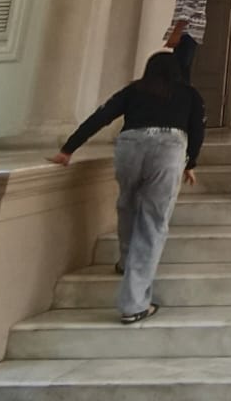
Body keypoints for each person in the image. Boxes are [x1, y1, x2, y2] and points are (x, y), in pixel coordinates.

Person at [47, 53, 204, 325]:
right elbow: (197, 131)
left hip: (130, 146)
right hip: (168, 149)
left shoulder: (134, 90)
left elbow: (101, 116)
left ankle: (125, 260)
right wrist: (191, 162)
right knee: (153, 222)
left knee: (128, 205)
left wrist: (68, 149)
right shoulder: (189, 94)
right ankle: (134, 304)